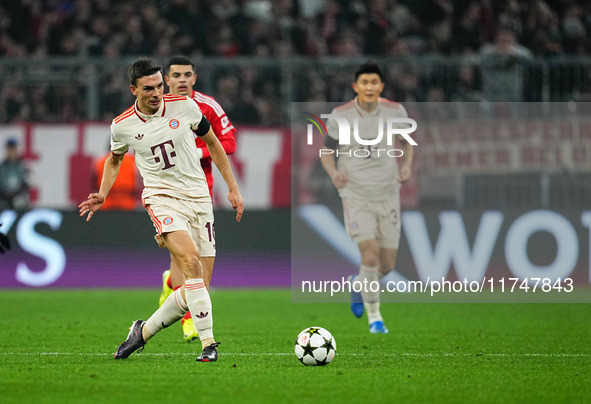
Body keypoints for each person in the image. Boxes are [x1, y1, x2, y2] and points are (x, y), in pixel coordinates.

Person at [79, 57, 244, 362]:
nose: (156, 93)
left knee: (197, 289)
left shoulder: (185, 107)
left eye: (158, 86)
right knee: (190, 262)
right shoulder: (123, 125)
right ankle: (209, 344)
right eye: (148, 89)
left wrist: (232, 187)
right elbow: (115, 160)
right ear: (134, 90)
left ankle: (141, 332)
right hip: (162, 199)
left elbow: (215, 143)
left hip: (199, 198)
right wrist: (103, 193)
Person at [320, 61, 414, 334]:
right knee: (370, 257)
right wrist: (333, 172)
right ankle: (376, 319)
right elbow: (327, 151)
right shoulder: (341, 114)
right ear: (355, 87)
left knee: (387, 265)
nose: (369, 87)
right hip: (356, 193)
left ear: (381, 86)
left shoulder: (396, 111)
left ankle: (357, 284)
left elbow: (406, 144)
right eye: (364, 82)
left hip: (388, 193)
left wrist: (406, 165)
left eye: (374, 82)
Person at [158, 55, 237, 343]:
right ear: (166, 79)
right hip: (168, 194)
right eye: (175, 75)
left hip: (201, 193)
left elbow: (228, 141)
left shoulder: (208, 106)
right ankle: (190, 319)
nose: (181, 80)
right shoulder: (157, 108)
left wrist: (198, 152)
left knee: (198, 265)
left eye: (186, 75)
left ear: (194, 78)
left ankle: (170, 285)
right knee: (184, 258)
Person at [0, 138, 29, 211]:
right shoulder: (2, 167)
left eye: (13, 150)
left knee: (20, 202)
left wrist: (16, 194)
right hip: (4, 198)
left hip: (17, 197)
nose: (11, 152)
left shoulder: (22, 167)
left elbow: (26, 184)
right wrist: (6, 195)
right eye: (10, 150)